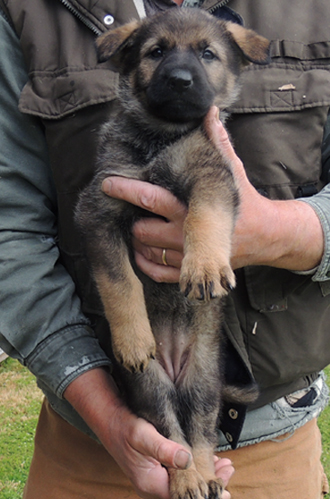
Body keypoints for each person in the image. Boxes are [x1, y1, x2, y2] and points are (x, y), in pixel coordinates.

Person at [0, 0, 330, 498]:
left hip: (274, 446)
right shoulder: (25, 12)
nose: (180, 72)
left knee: (195, 366)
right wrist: (104, 401)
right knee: (150, 370)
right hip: (90, 440)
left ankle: (196, 456)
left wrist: (282, 232)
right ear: (129, 64)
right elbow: (12, 227)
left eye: (205, 54)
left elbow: (212, 192)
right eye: (158, 53)